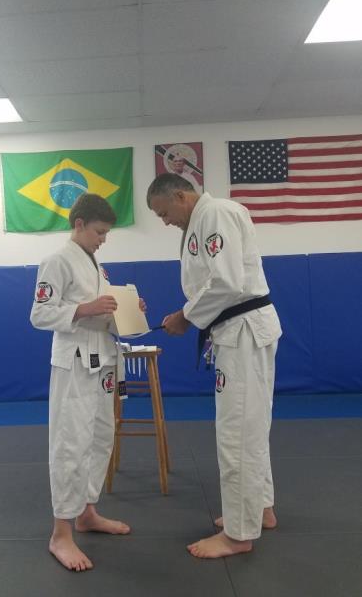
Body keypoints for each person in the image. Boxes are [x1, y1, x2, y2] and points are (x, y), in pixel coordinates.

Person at [146, 173, 282, 559]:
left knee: (237, 432)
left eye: (164, 212)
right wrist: (190, 315)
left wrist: (186, 316)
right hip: (236, 331)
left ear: (180, 195)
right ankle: (259, 509)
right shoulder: (202, 220)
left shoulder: (216, 213)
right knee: (251, 426)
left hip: (243, 332)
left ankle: (239, 534)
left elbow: (226, 281)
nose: (164, 221)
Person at [30, 193, 140, 572]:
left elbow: (101, 314)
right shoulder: (57, 261)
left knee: (100, 438)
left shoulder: (96, 265)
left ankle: (86, 511)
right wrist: (84, 309)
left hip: (103, 361)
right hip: (74, 363)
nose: (103, 239)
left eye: (106, 233)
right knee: (70, 443)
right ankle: (60, 533)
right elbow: (39, 314)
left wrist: (125, 311)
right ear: (79, 224)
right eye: (99, 232)